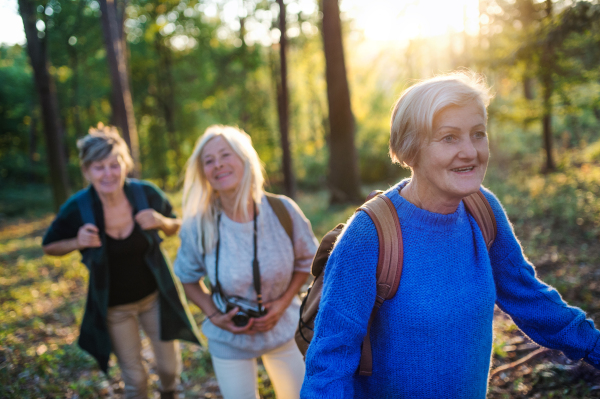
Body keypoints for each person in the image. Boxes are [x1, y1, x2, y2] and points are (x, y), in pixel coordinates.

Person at [300, 71, 600, 398]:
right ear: (410, 149)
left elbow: (530, 298)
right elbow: (330, 360)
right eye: (449, 137)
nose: (470, 151)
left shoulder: (482, 210)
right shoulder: (370, 234)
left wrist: (594, 345)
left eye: (478, 134)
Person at [42, 124, 201, 399]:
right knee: (135, 380)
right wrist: (76, 242)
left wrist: (162, 222)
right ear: (87, 171)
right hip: (115, 308)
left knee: (168, 369)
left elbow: (177, 225)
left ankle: (169, 393)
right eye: (99, 167)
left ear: (125, 165)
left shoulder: (145, 194)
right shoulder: (78, 207)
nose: (108, 174)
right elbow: (49, 245)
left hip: (154, 298)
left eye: (114, 165)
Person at [173, 125, 318, 399]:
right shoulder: (198, 224)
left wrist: (283, 302)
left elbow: (306, 263)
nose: (218, 165)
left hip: (284, 328)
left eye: (225, 155)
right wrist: (215, 315)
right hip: (230, 338)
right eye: (209, 160)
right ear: (203, 173)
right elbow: (187, 278)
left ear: (244, 159)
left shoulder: (283, 211)